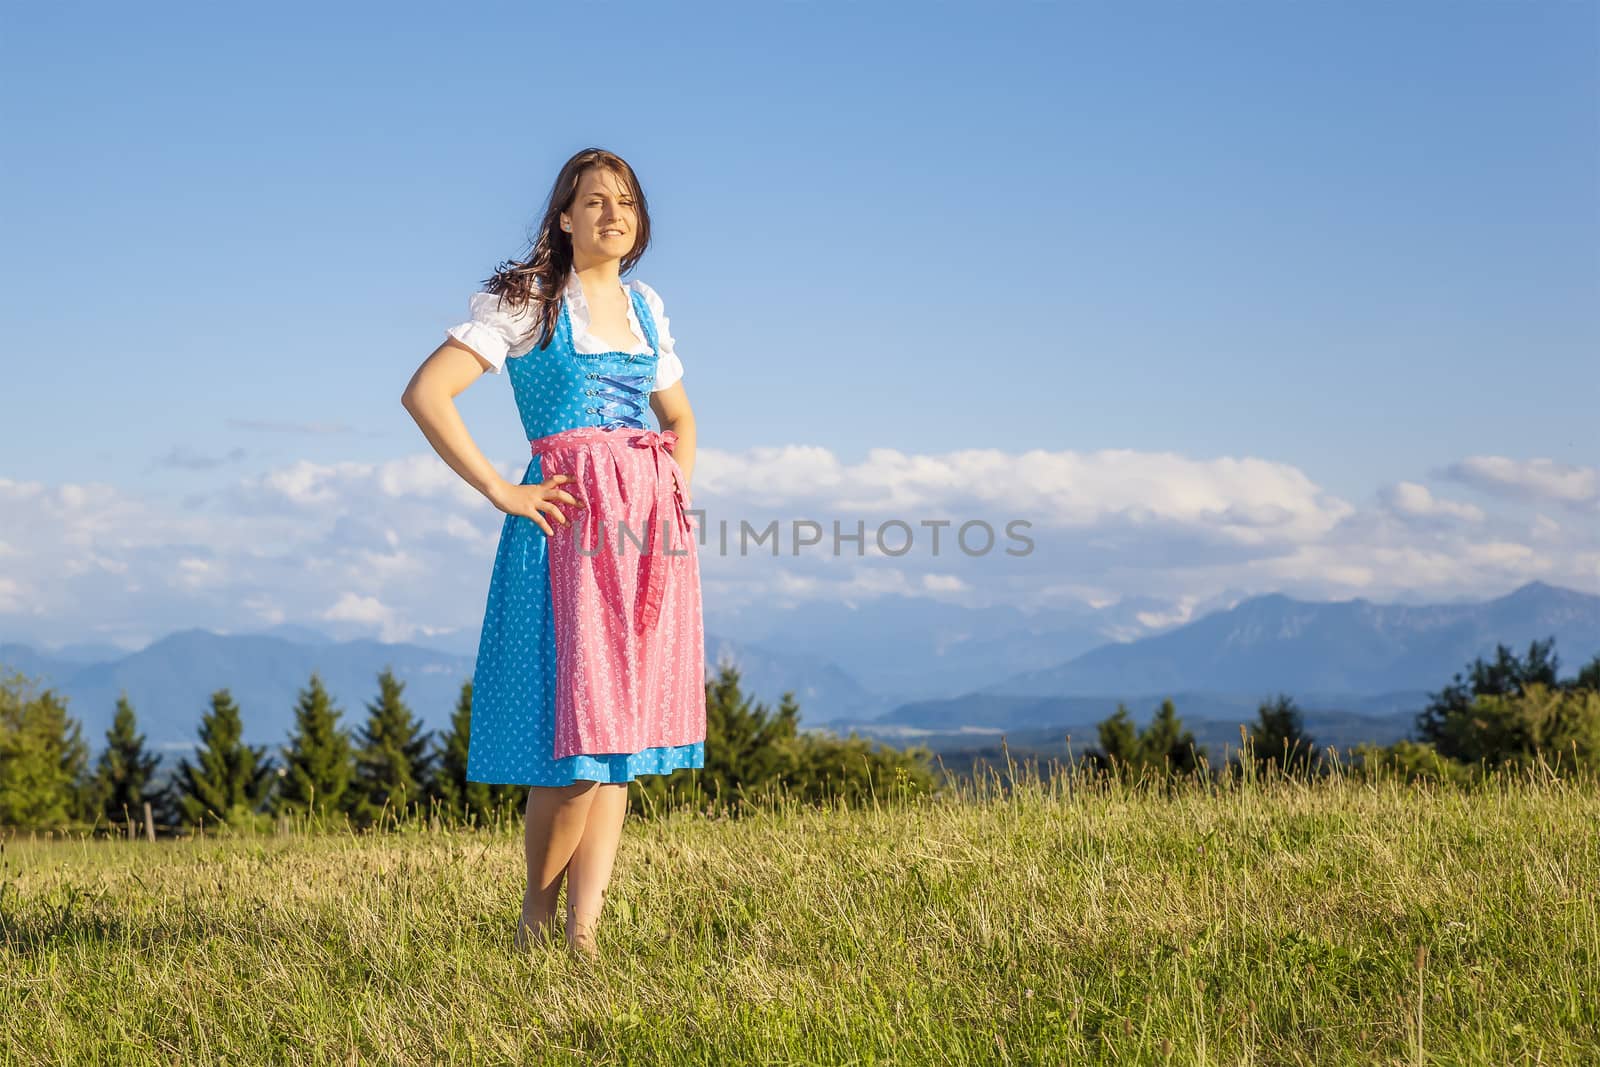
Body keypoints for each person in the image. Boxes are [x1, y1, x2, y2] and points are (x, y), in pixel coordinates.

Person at [400, 147, 706, 959]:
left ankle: (583, 941)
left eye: (627, 204)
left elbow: (682, 419)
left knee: (617, 752)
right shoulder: (530, 300)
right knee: (575, 747)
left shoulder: (645, 307)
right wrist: (504, 489)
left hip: (644, 541)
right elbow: (426, 394)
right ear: (564, 217)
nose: (614, 215)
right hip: (566, 529)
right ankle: (534, 925)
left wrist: (664, 492)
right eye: (595, 202)